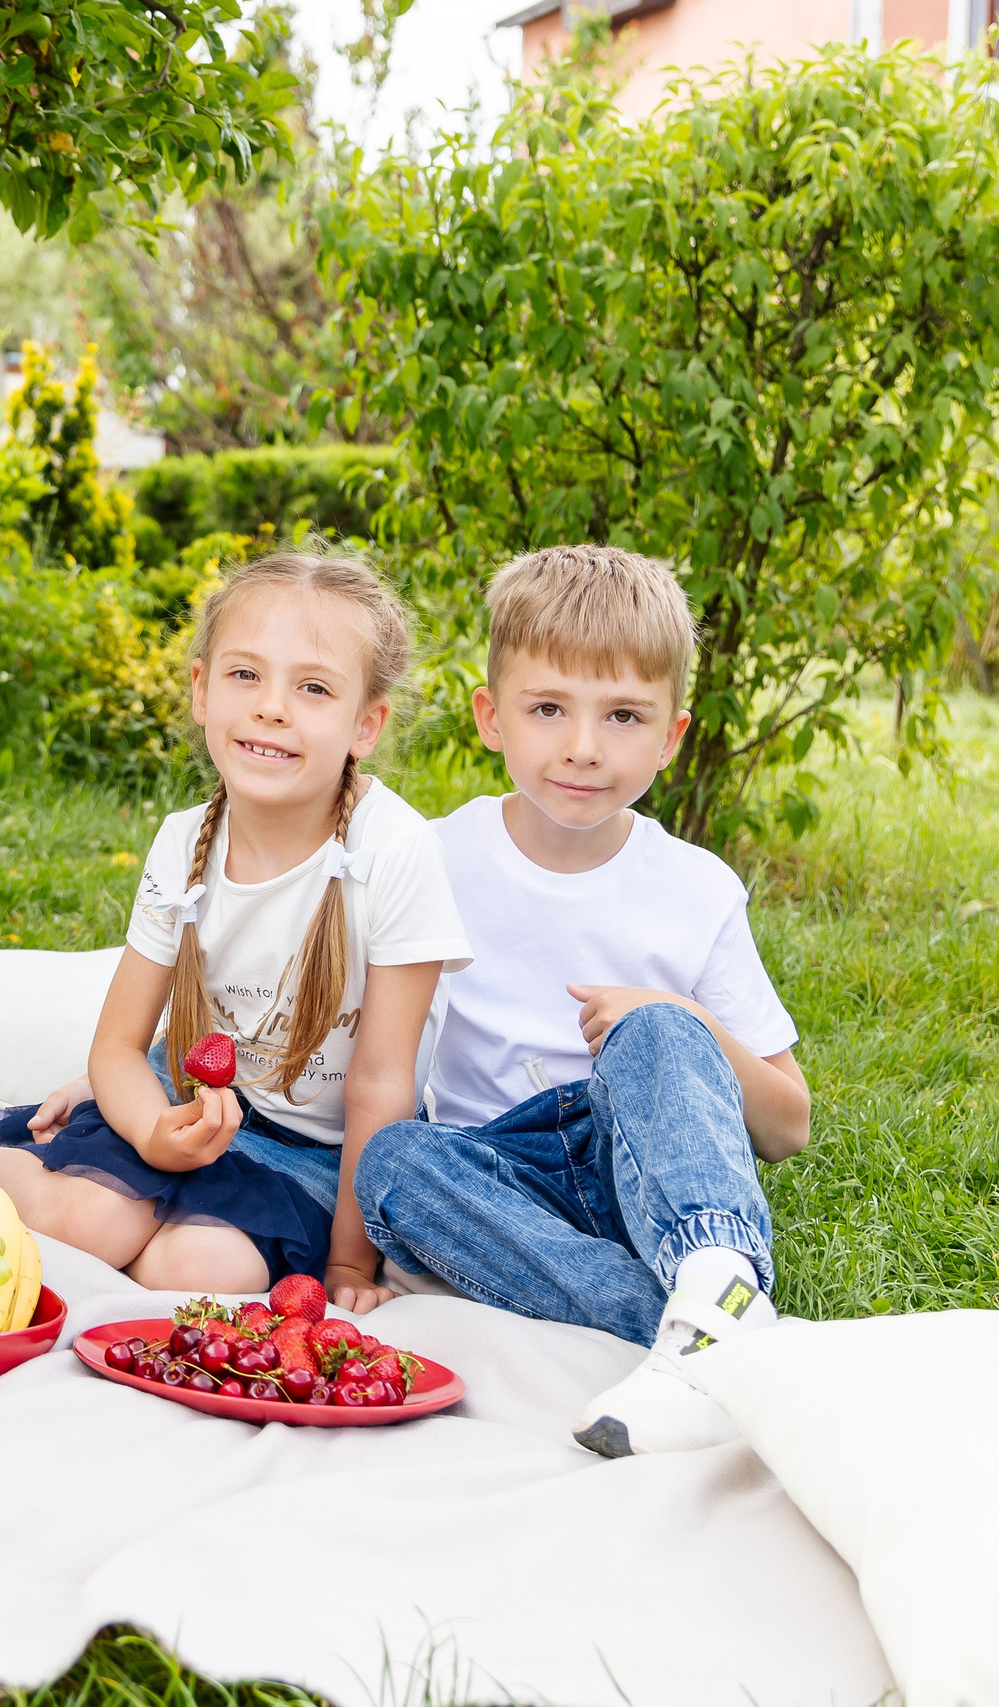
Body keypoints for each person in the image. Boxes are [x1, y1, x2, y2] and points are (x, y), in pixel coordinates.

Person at [0, 553, 472, 1307]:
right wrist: (149, 1133)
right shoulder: (187, 841)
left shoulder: (394, 851)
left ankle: (150, 1211)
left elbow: (377, 1085)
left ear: (366, 724)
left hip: (320, 1153)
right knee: (91, 1223)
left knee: (205, 1276)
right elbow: (115, 1044)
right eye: (246, 675)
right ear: (202, 691)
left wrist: (347, 1265)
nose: (272, 707)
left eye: (312, 688)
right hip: (198, 1103)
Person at [352, 544, 809, 1459]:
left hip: (646, 1159)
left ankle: (712, 1272)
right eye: (548, 708)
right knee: (394, 1163)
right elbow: (358, 1046)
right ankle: (706, 1324)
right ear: (491, 716)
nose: (583, 747)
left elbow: (787, 1123)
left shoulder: (694, 886)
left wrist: (681, 1021)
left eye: (624, 716)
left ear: (673, 735)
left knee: (660, 1031)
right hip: (500, 1176)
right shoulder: (432, 859)